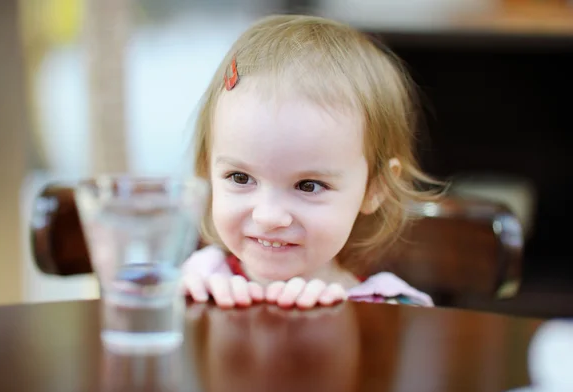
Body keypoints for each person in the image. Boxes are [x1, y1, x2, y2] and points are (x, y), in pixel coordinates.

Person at [181, 14, 441, 310]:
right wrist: (182, 309)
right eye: (240, 177)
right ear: (207, 172)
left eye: (308, 185)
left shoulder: (391, 308)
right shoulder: (198, 279)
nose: (268, 217)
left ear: (375, 188)